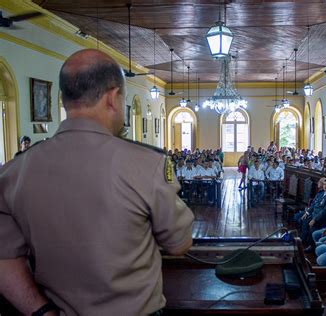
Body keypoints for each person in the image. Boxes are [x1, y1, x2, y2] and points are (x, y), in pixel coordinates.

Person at [0, 49, 194, 315]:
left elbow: (4, 257)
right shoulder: (147, 165)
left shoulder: (14, 172)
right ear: (113, 98)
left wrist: (42, 312)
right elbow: (179, 244)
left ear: (63, 98)